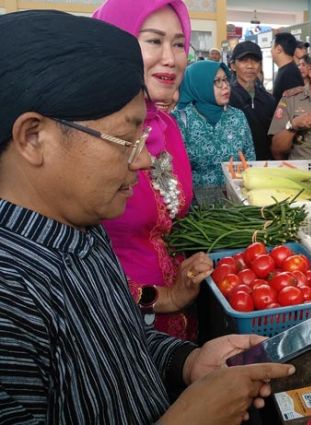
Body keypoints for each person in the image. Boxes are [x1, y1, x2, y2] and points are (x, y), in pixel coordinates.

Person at [0, 10, 295, 424]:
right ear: (33, 138)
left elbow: (118, 340)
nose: (143, 160)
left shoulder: (83, 226)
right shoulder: (10, 293)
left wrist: (188, 362)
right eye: (125, 137)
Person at [94, 0, 211, 341]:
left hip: (181, 322)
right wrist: (163, 298)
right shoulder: (91, 136)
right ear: (116, 41)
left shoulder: (167, 127)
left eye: (178, 44)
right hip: (117, 324)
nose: (171, 58)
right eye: (153, 40)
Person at [175, 60, 255, 203]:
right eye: (217, 81)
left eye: (225, 80)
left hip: (235, 204)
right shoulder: (181, 120)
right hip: (195, 209)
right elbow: (175, 170)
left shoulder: (237, 117)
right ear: (199, 85)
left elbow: (249, 159)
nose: (225, 86)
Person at [229, 41, 277, 160]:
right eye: (244, 60)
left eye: (255, 61)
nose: (250, 66)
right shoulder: (227, 98)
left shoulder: (269, 100)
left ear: (260, 65)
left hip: (264, 167)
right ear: (233, 66)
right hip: (236, 166)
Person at [272, 32, 304, 103]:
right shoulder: (286, 70)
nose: (271, 51)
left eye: (272, 47)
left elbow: (295, 105)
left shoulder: (290, 73)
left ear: (278, 49)